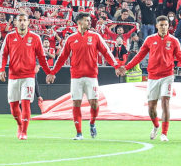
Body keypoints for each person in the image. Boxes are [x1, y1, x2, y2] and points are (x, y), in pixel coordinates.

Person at [49, 12, 125, 140]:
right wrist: (52, 72)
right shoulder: (71, 38)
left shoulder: (95, 37)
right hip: (76, 77)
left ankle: (92, 123)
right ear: (79, 22)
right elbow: (62, 57)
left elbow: (106, 52)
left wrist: (116, 66)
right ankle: (79, 133)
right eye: (87, 20)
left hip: (91, 76)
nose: (89, 22)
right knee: (76, 103)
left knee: (94, 103)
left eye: (90, 20)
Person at [123, 15, 181, 142]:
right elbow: (139, 56)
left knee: (165, 102)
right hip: (153, 77)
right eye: (161, 25)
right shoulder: (150, 40)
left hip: (167, 75)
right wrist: (127, 67)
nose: (163, 27)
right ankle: (156, 125)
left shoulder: (173, 41)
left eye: (165, 25)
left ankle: (164, 133)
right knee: (151, 108)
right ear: (156, 26)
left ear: (168, 26)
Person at [0, 12, 54, 140]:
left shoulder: (35, 38)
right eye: (20, 20)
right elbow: (3, 54)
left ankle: (24, 131)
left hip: (29, 76)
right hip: (13, 76)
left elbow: (42, 58)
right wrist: (1, 69)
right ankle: (19, 124)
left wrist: (49, 72)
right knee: (13, 105)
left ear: (28, 22)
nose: (22, 22)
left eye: (24, 20)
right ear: (16, 22)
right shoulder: (10, 37)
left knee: (26, 103)